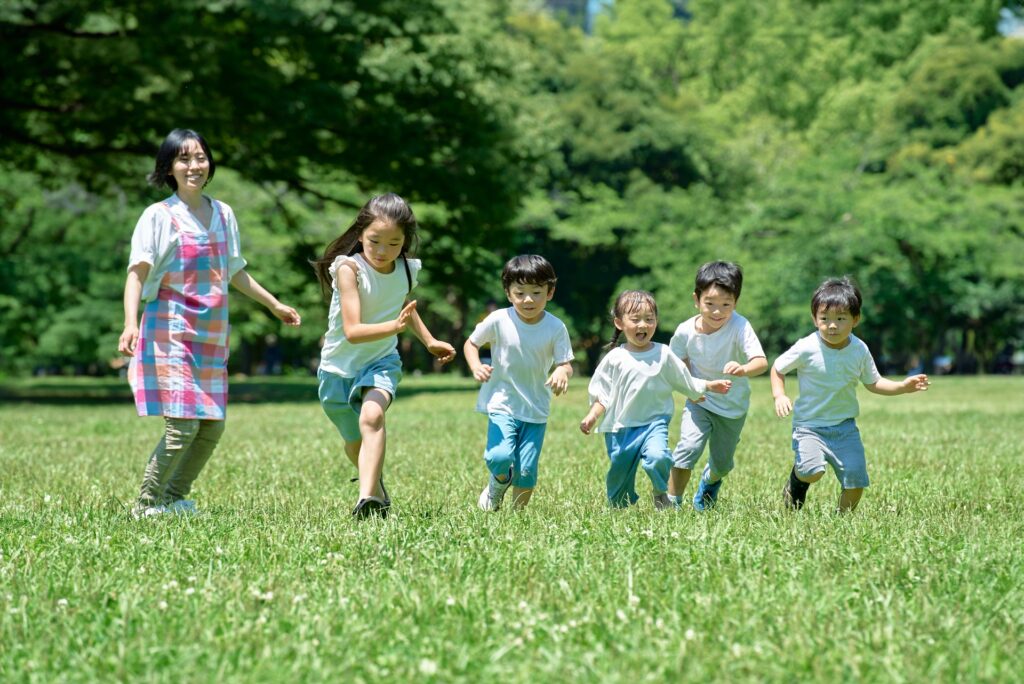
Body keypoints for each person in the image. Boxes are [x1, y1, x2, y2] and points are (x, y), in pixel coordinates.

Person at [118, 128, 301, 518]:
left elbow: (234, 271)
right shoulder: (158, 216)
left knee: (211, 426)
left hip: (212, 334)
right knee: (182, 427)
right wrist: (130, 322)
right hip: (171, 331)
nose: (194, 166)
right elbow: (137, 273)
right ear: (169, 168)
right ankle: (148, 503)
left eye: (200, 157)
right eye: (184, 159)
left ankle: (174, 499)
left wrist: (274, 305)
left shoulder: (224, 213)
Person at [312, 193, 456, 519]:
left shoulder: (406, 269)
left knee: (372, 418)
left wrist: (430, 340)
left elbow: (405, 307)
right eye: (374, 241)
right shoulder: (349, 269)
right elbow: (352, 330)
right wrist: (395, 325)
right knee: (354, 443)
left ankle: (366, 500)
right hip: (337, 368)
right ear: (361, 234)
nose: (382, 251)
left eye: (394, 244)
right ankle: (376, 489)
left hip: (380, 361)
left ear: (405, 242)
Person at [772, 276, 929, 512]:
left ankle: (840, 523)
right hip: (809, 426)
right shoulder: (807, 347)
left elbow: (874, 383)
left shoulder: (859, 349)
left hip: (845, 427)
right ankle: (796, 482)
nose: (832, 325)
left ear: (855, 319)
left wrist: (902, 387)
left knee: (856, 482)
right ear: (815, 319)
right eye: (824, 319)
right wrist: (779, 395)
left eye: (840, 319)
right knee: (811, 472)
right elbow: (777, 368)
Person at [580, 291, 731, 509]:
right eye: (635, 319)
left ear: (656, 322)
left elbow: (683, 379)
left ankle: (661, 493)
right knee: (619, 475)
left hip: (654, 423)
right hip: (620, 428)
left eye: (649, 319)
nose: (643, 325)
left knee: (659, 456)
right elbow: (602, 394)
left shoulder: (664, 353)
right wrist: (592, 416)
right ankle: (618, 508)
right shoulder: (614, 358)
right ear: (619, 323)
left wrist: (707, 386)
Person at [464, 255, 574, 511]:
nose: (528, 299)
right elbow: (472, 343)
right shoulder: (498, 319)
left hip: (535, 407)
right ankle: (499, 481)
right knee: (498, 456)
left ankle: (517, 517)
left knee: (526, 469)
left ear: (550, 292)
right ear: (508, 293)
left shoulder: (556, 327)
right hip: (502, 401)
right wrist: (476, 366)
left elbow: (566, 362)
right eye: (520, 292)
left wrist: (562, 372)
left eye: (536, 292)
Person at [667, 261, 767, 511]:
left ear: (736, 302)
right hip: (700, 400)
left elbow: (761, 362)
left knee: (722, 464)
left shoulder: (740, 326)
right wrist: (693, 388)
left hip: (732, 408)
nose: (717, 312)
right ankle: (670, 504)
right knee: (686, 449)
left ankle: (710, 482)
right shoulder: (684, 331)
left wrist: (743, 369)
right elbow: (675, 365)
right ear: (696, 299)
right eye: (709, 303)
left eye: (726, 305)